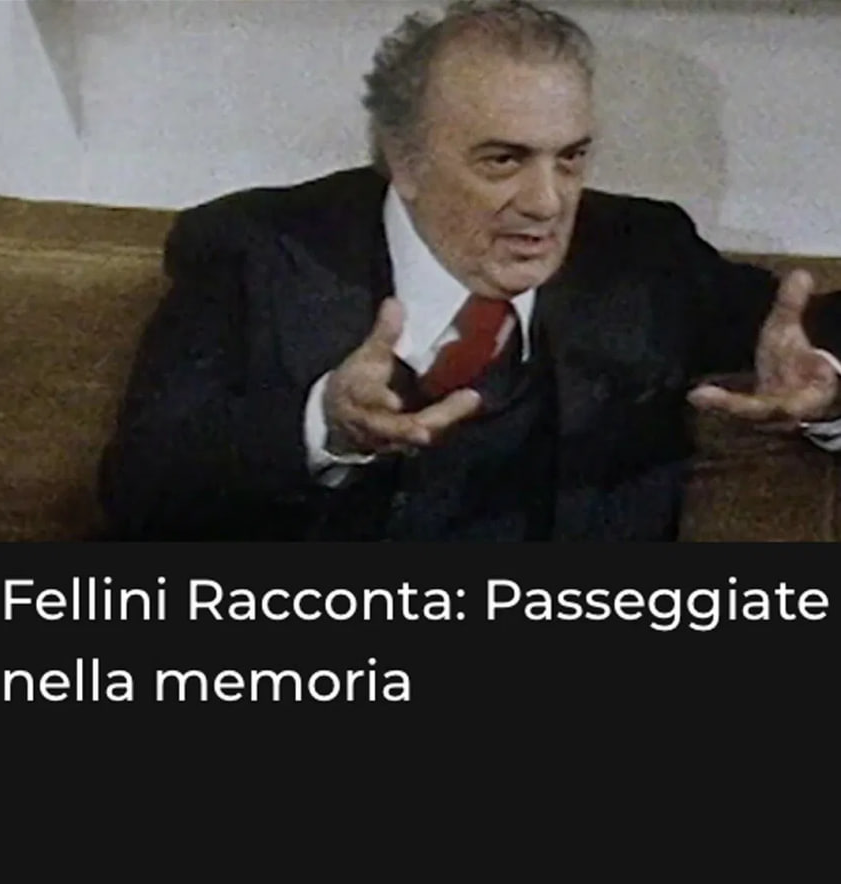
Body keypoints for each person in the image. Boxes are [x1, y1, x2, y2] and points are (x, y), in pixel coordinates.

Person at [98, 0, 841, 541]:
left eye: (571, 158)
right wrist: (325, 426)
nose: (547, 202)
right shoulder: (260, 253)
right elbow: (143, 490)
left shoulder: (641, 259)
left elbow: (814, 331)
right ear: (404, 158)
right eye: (503, 160)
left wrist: (829, 387)